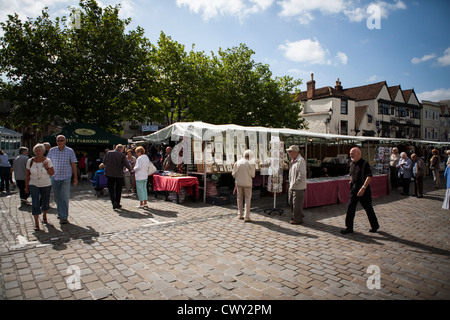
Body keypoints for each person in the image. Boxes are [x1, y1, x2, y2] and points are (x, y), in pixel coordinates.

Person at [341, 147, 379, 234]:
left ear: (358, 154)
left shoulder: (365, 163)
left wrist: (363, 188)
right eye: (350, 154)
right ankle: (349, 227)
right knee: (350, 208)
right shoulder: (352, 163)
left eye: (352, 154)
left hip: (363, 189)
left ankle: (375, 226)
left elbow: (369, 176)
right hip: (354, 188)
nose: (351, 155)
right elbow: (351, 174)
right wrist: (351, 181)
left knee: (368, 208)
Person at [47, 135, 78, 224]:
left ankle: (64, 216)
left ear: (65, 141)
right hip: (55, 177)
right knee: (57, 197)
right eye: (58, 140)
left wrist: (75, 178)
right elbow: (48, 163)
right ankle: (60, 212)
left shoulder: (70, 151)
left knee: (64, 196)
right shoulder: (52, 151)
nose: (59, 142)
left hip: (66, 177)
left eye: (61, 140)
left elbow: (73, 165)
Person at [25, 144, 55, 231]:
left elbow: (52, 173)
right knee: (35, 202)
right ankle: (36, 223)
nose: (38, 152)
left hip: (45, 183)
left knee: (45, 201)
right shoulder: (30, 161)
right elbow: (27, 175)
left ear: (43, 151)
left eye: (40, 150)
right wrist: (26, 186)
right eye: (36, 150)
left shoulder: (47, 160)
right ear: (34, 151)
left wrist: (46, 167)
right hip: (33, 183)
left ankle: (44, 214)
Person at [103, 144, 131, 209]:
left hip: (110, 174)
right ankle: (118, 203)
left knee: (111, 189)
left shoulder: (108, 153)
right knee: (118, 189)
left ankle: (113, 201)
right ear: (121, 149)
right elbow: (127, 164)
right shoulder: (122, 155)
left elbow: (104, 162)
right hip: (119, 175)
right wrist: (130, 169)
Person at [232, 150, 256, 222]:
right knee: (247, 199)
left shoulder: (238, 162)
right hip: (247, 183)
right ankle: (246, 216)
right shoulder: (250, 163)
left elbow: (233, 174)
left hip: (239, 183)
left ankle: (240, 214)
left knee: (239, 198)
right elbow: (253, 175)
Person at [287, 145, 307, 225]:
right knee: (291, 202)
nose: (288, 153)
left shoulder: (300, 161)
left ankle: (298, 219)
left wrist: (296, 183)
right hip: (293, 185)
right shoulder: (294, 160)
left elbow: (302, 174)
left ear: (294, 152)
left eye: (290, 152)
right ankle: (297, 216)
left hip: (298, 187)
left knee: (296, 204)